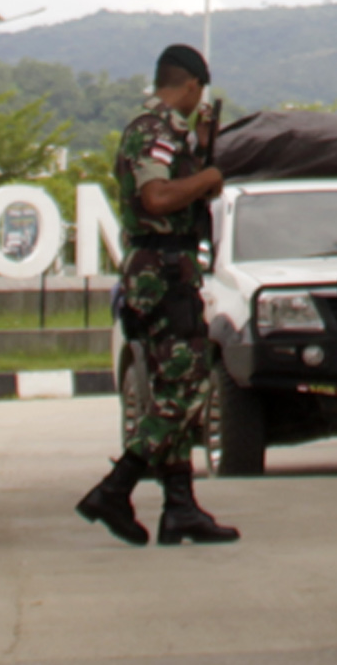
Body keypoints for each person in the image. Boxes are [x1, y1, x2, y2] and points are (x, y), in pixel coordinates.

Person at [80, 44, 236, 547]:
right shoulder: (155, 132)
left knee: (175, 380)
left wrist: (201, 153)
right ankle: (115, 487)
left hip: (165, 267)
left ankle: (180, 506)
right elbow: (157, 197)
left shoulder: (173, 136)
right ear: (189, 84)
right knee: (187, 387)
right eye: (199, 92)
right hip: (163, 269)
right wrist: (207, 177)